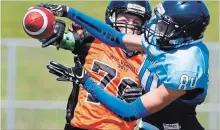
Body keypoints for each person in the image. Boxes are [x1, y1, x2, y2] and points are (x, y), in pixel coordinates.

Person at [41, 1, 210, 130]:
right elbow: (115, 38)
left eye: (164, 24)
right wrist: (68, 12)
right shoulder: (171, 41)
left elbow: (129, 112)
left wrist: (86, 81)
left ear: (182, 32)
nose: (155, 26)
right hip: (150, 124)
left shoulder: (184, 68)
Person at [42, 1, 153, 130]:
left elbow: (163, 96)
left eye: (136, 21)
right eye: (125, 18)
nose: (130, 24)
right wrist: (51, 29)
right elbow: (53, 38)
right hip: (81, 125)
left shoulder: (149, 59)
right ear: (112, 17)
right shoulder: (93, 40)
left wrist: (144, 95)